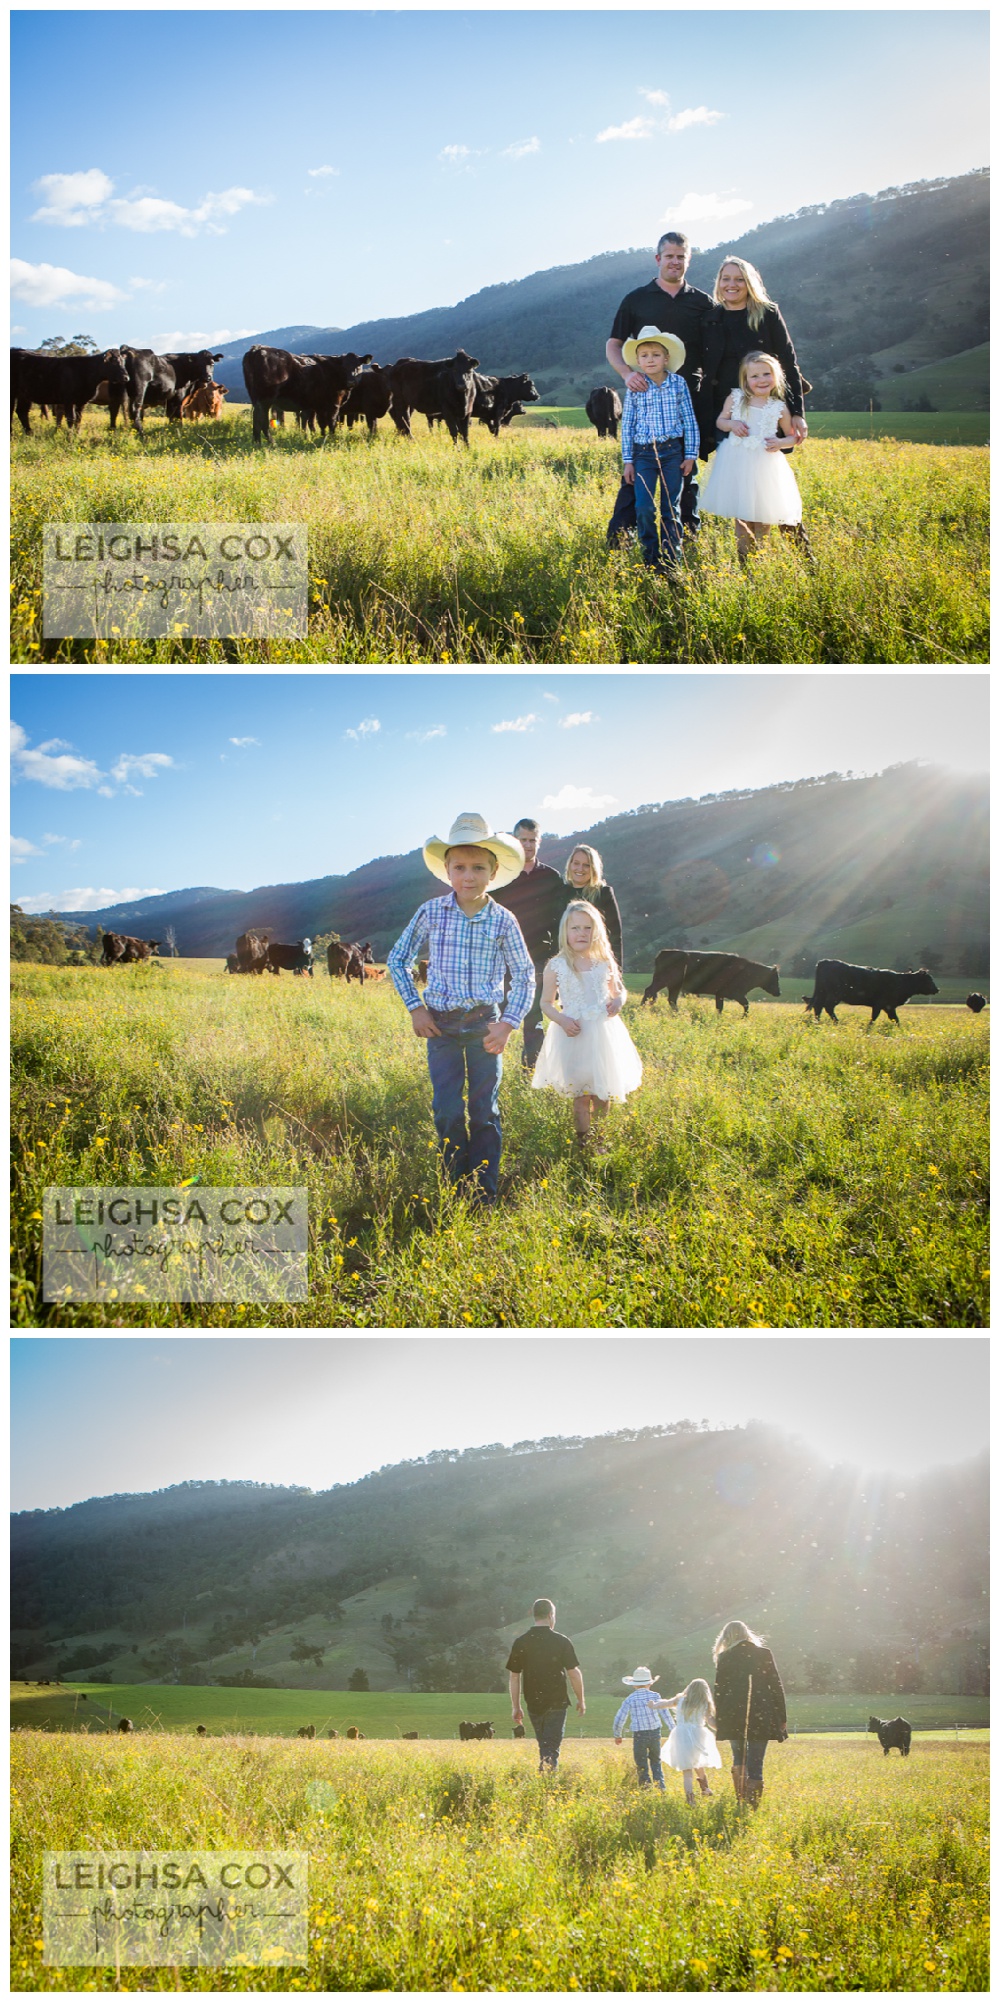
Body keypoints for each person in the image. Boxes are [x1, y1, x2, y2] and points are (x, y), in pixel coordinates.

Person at [386, 811, 534, 1206]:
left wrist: (508, 1023)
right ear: (447, 871)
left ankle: (484, 1193)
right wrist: (416, 1008)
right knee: (447, 1109)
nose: (468, 876)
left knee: (484, 1109)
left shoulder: (504, 920)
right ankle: (455, 1187)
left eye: (477, 868)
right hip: (442, 1028)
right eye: (460, 868)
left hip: (486, 1027)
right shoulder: (431, 912)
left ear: (493, 871)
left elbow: (524, 975)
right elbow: (397, 959)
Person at [605, 229, 714, 544]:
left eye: (681, 257)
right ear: (658, 259)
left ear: (688, 261)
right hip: (645, 395)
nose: (675, 262)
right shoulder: (635, 299)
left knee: (686, 467)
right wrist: (627, 374)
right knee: (638, 468)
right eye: (669, 256)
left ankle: (687, 532)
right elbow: (613, 344)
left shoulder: (702, 302)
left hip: (687, 395)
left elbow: (714, 350)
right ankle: (621, 534)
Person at [532, 901, 642, 1150]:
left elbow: (619, 991)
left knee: (603, 1092)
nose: (581, 933)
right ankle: (583, 1142)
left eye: (587, 928)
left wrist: (618, 1001)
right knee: (581, 1094)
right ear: (565, 931)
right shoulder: (557, 965)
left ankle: (601, 1141)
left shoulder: (604, 962)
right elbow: (546, 1003)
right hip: (574, 1035)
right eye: (575, 928)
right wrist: (561, 1019)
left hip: (603, 1035)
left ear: (597, 931)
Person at [700, 352, 804, 563]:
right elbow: (721, 421)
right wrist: (732, 425)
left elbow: (793, 437)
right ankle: (744, 558)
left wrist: (781, 443)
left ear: (776, 376)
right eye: (754, 376)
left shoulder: (779, 407)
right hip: (737, 461)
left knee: (764, 514)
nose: (761, 380)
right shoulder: (736, 398)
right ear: (745, 379)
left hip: (765, 464)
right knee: (743, 513)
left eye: (767, 374)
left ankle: (759, 558)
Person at [619, 329, 699, 576]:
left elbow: (689, 419)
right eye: (644, 355)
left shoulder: (678, 383)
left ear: (666, 358)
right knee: (644, 506)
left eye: (656, 354)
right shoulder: (635, 386)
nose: (650, 359)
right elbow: (628, 425)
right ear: (638, 361)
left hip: (672, 452)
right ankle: (651, 557)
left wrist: (690, 455)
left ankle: (672, 558)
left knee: (670, 507)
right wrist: (628, 461)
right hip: (643, 454)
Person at [491, 816, 564, 1070]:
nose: (528, 845)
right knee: (495, 1017)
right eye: (523, 840)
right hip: (503, 961)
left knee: (534, 1020)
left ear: (539, 842)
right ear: (515, 841)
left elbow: (560, 920)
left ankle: (530, 1073)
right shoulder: (501, 877)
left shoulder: (552, 878)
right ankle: (490, 1072)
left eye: (532, 840)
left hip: (539, 960)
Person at [712, 1619, 788, 1809]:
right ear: (747, 1634)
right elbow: (776, 1686)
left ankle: (740, 1801)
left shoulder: (725, 1657)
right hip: (761, 1713)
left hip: (732, 1715)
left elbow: (719, 1691)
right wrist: (782, 1717)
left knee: (739, 1758)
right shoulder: (763, 1654)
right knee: (756, 1761)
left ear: (726, 1637)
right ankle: (752, 1806)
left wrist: (719, 1717)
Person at [506, 1598, 585, 1773]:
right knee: (551, 1748)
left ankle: (545, 1782)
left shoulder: (521, 1642)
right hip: (557, 1702)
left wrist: (516, 1707)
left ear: (535, 1615)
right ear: (551, 1615)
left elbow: (514, 1676)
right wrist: (581, 1699)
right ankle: (548, 1783)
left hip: (533, 1702)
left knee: (544, 1745)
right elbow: (574, 1673)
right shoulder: (561, 1641)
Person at [557, 844, 623, 968]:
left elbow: (614, 935)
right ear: (570, 865)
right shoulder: (559, 893)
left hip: (596, 964)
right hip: (566, 964)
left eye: (586, 865)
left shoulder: (603, 893)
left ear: (594, 868)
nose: (580, 868)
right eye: (576, 863)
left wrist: (616, 971)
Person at [659, 1677, 723, 1805]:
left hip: (681, 1735)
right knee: (697, 1762)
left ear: (689, 1688)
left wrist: (653, 1705)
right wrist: (721, 1729)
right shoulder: (704, 1703)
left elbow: (666, 1703)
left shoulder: (680, 1700)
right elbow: (710, 1721)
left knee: (687, 1770)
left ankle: (690, 1799)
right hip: (698, 1735)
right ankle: (705, 1788)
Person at [613, 1665, 675, 1791]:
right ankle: (660, 1788)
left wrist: (618, 1734)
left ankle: (645, 1788)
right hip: (655, 1733)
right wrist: (673, 1730)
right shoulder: (656, 1696)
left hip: (639, 1735)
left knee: (641, 1763)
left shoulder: (630, 1699)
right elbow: (666, 1714)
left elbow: (620, 1718)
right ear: (650, 1684)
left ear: (634, 1685)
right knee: (656, 1761)